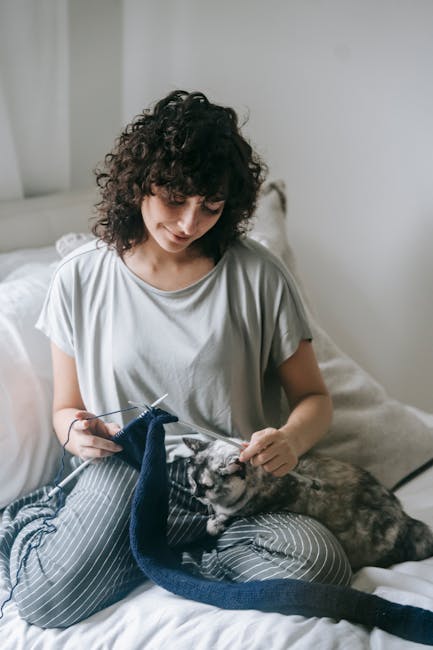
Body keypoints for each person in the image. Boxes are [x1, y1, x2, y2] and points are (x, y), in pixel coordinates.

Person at [0, 90, 352, 628]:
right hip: (123, 475)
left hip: (228, 485)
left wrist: (292, 440)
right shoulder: (80, 277)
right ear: (139, 183)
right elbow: (64, 409)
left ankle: (159, 556)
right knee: (47, 603)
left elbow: (313, 398)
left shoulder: (258, 277)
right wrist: (75, 431)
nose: (190, 222)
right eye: (175, 199)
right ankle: (44, 524)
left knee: (321, 566)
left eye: (210, 206)